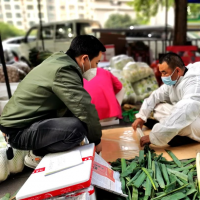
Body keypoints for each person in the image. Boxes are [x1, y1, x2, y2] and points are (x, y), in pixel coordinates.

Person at [0, 35, 106, 169]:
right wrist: (96, 141)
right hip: (18, 132)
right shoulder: (64, 70)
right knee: (77, 129)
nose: (96, 68)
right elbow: (84, 108)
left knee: (78, 121)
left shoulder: (59, 61)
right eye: (96, 63)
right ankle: (37, 154)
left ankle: (41, 145)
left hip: (25, 123)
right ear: (85, 58)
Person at [132, 52, 200, 147]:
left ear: (177, 71)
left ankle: (185, 138)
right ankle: (171, 132)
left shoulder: (194, 82)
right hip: (190, 113)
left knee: (185, 123)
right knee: (159, 108)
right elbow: (156, 95)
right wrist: (142, 116)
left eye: (164, 73)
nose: (162, 77)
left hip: (195, 116)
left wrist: (154, 137)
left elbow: (185, 111)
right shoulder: (176, 79)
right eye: (161, 73)